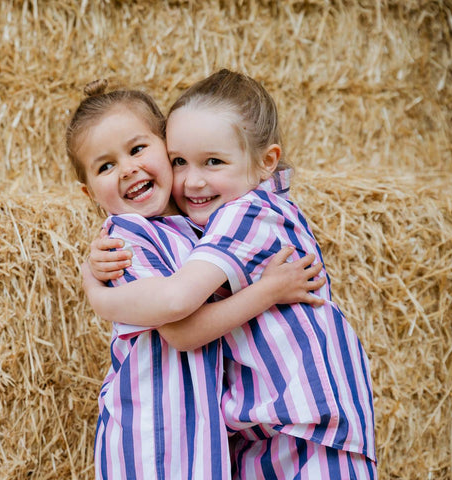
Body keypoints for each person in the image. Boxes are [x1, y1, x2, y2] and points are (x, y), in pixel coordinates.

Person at [83, 69, 377, 478]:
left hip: (308, 426)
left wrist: (96, 295)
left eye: (214, 161)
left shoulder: (246, 212)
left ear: (265, 162)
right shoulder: (188, 227)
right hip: (264, 431)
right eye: (180, 161)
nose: (193, 180)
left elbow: (177, 312)